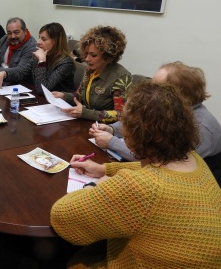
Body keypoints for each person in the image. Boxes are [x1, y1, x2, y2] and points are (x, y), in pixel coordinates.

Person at [51, 81, 221, 268]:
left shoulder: (141, 188)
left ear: (133, 133)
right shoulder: (195, 160)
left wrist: (96, 186)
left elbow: (62, 219)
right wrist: (104, 169)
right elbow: (155, 173)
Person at [90, 61, 221, 162]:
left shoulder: (201, 129)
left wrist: (112, 142)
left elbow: (160, 161)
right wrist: (112, 130)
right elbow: (142, 124)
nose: (149, 91)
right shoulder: (169, 110)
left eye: (156, 87)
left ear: (176, 94)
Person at [53, 25, 132, 123]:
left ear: (108, 56)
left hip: (104, 130)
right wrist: (63, 96)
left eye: (93, 55)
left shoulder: (121, 77)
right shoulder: (90, 70)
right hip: (86, 123)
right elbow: (80, 95)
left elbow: (120, 115)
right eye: (86, 54)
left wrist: (86, 113)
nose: (86, 59)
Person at [0, 22, 75, 93]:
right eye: (39, 38)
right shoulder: (40, 54)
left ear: (55, 42)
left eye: (43, 39)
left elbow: (43, 89)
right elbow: (22, 72)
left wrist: (41, 62)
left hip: (59, 106)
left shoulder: (66, 62)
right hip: (39, 100)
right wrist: (4, 73)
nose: (38, 42)